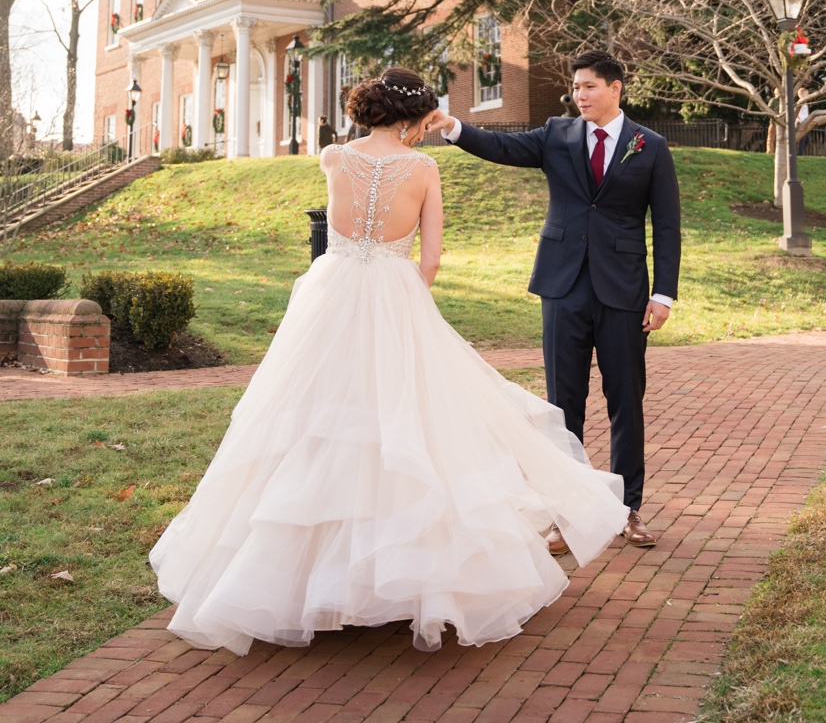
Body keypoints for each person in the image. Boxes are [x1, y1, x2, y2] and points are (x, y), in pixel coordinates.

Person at [151, 68, 631, 655]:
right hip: (395, 294)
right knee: (408, 423)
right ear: (415, 118)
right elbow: (430, 258)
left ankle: (302, 575)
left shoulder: (333, 157)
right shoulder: (423, 168)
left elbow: (333, 238)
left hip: (331, 295)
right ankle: (398, 578)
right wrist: (408, 308)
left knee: (315, 419)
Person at [424, 50, 680, 551]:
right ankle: (567, 513)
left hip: (624, 290)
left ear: (615, 88)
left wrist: (663, 293)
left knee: (625, 400)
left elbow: (666, 226)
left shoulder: (650, 146)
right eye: (576, 88)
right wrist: (455, 126)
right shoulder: (557, 135)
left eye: (588, 87)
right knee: (564, 404)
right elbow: (501, 145)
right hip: (562, 286)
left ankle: (629, 509)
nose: (579, 96)